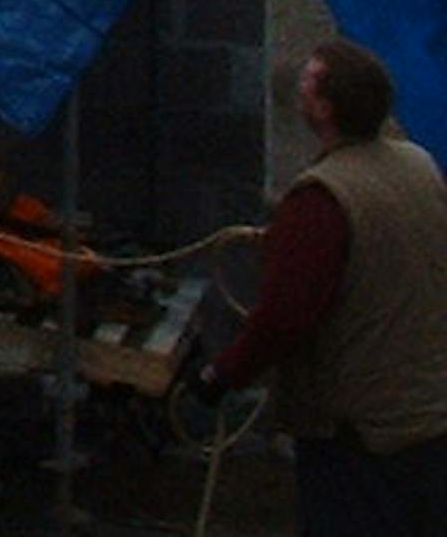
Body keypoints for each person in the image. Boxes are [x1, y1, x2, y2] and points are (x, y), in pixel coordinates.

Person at [188, 37, 447, 532]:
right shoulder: (418, 164)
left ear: (325, 108)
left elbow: (285, 318)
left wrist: (220, 376)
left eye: (308, 80)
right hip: (429, 414)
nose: (298, 88)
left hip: (359, 431)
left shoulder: (321, 198)